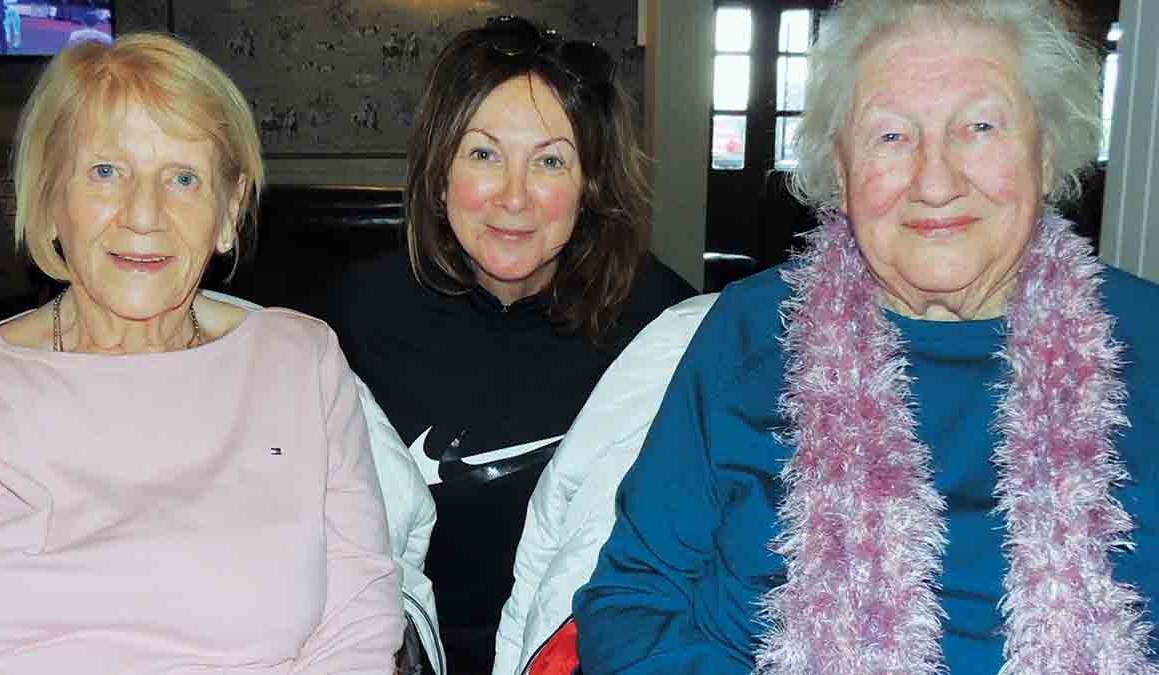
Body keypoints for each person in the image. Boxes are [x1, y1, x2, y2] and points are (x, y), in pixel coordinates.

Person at [574, 0, 1159, 672]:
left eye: (980, 125)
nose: (935, 182)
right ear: (842, 171)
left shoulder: (1147, 339)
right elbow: (631, 602)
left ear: (1047, 152)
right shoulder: (749, 332)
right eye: (891, 135)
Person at [0, 33, 403, 672]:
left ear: (228, 211)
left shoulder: (298, 362)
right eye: (106, 171)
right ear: (51, 198)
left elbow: (356, 620)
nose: (144, 215)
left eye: (183, 179)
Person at [322, 16, 696, 675]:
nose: (514, 197)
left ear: (590, 185)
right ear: (440, 173)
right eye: (484, 154)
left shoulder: (662, 326)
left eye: (550, 161)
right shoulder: (355, 315)